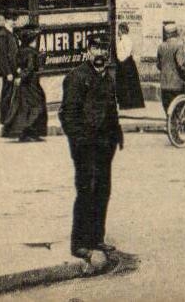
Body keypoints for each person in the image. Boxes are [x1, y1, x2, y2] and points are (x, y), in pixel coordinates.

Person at [60, 33, 125, 262]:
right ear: (88, 51)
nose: (100, 53)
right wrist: (78, 141)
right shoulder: (76, 77)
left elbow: (111, 108)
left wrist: (117, 134)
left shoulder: (107, 77)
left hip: (105, 145)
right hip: (86, 146)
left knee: (103, 191)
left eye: (104, 49)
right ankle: (79, 244)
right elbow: (67, 115)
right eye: (96, 48)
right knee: (86, 190)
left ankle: (97, 238)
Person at [4, 25, 48, 141]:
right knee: (37, 106)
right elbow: (30, 68)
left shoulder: (21, 51)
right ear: (31, 41)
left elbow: (18, 66)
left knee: (23, 108)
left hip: (23, 85)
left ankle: (27, 133)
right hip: (31, 84)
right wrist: (41, 58)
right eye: (34, 40)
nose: (35, 42)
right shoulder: (31, 52)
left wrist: (19, 75)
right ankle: (30, 133)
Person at [0, 12, 27, 137]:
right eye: (12, 19)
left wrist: (18, 68)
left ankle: (10, 118)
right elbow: (3, 56)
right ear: (6, 20)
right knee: (7, 95)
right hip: (9, 72)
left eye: (15, 19)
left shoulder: (11, 34)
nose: (14, 22)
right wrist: (8, 72)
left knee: (13, 95)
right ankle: (4, 119)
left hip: (14, 70)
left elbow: (15, 53)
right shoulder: (3, 34)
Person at [156, 22, 185, 117]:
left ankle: (171, 124)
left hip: (164, 84)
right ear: (175, 33)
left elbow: (158, 65)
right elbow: (182, 65)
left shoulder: (161, 47)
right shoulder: (178, 46)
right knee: (182, 104)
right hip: (177, 84)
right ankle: (178, 122)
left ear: (166, 34)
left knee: (168, 108)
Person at [114, 22, 145, 111]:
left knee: (128, 84)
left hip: (126, 64)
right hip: (123, 64)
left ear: (122, 30)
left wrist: (120, 60)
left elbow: (127, 53)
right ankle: (125, 103)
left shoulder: (126, 40)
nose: (117, 32)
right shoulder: (122, 40)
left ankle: (129, 104)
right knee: (124, 84)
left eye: (119, 30)